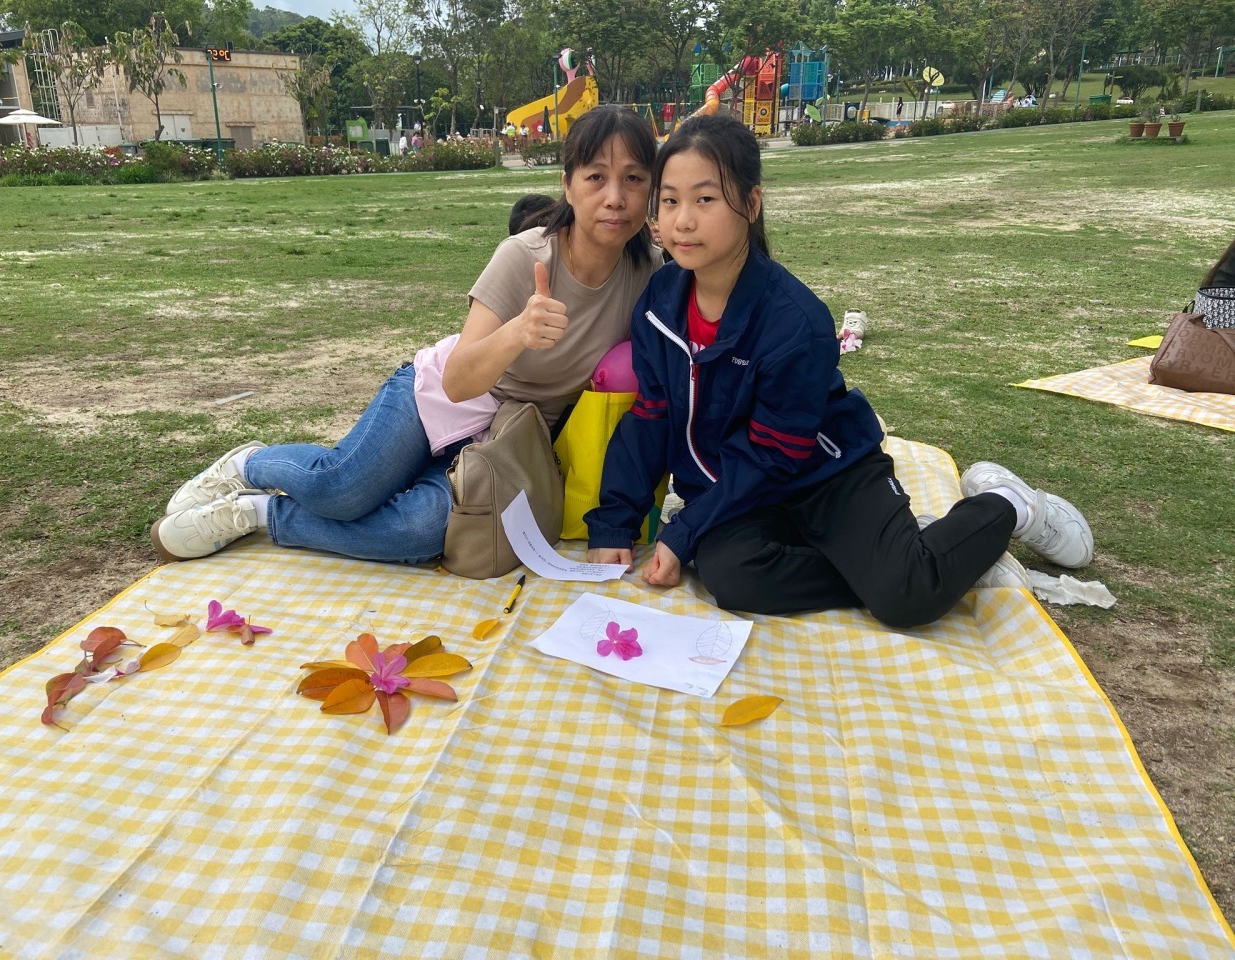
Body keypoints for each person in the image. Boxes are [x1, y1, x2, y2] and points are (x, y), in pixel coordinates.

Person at [585, 113, 1094, 629]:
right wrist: (614, 523)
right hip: (736, 488)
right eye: (670, 201)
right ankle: (920, 555)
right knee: (732, 576)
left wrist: (687, 528)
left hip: (826, 473)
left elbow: (773, 455)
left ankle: (1005, 506)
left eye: (705, 199)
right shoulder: (660, 304)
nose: (683, 221)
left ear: (752, 204)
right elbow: (650, 419)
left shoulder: (794, 321)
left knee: (906, 597)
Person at [151, 105, 662, 566]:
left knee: (419, 532)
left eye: (634, 178)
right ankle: (248, 464)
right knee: (341, 490)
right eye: (596, 177)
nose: (615, 198)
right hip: (437, 399)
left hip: (507, 439)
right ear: (568, 185)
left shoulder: (651, 275)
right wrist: (517, 332)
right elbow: (458, 381)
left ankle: (258, 515)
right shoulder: (525, 256)